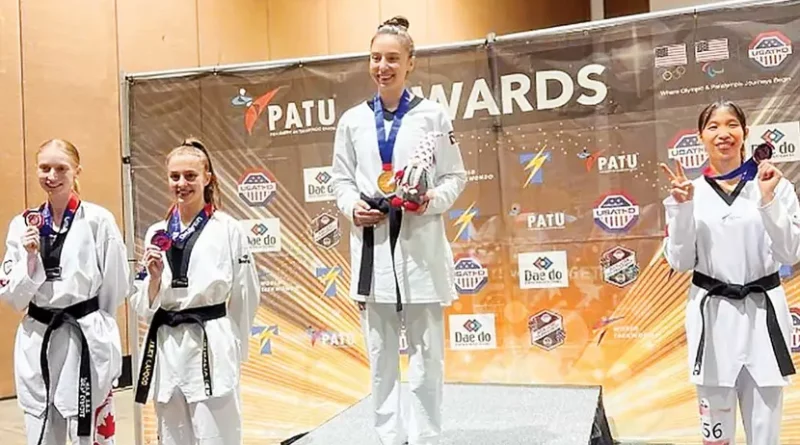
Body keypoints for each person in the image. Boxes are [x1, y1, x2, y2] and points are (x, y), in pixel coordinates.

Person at [330, 15, 466, 445]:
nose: (382, 66)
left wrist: (430, 201)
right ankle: (389, 437)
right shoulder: (353, 120)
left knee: (427, 356)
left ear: (411, 63)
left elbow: (455, 176)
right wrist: (352, 207)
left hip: (420, 244)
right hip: (373, 247)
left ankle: (427, 437)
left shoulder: (432, 116)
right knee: (381, 357)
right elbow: (340, 179)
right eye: (375, 58)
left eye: (392, 58)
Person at [661, 100, 800, 445]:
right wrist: (681, 208)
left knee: (765, 435)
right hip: (713, 320)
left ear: (745, 132)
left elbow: (789, 253)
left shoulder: (774, 185)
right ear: (700, 137)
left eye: (731, 125)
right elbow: (680, 262)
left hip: (763, 318)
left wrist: (768, 201)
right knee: (716, 438)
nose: (723, 133)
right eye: (713, 126)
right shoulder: (689, 192)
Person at [130, 137, 259, 445]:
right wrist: (154, 280)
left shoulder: (227, 229)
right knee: (173, 437)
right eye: (174, 176)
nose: (182, 184)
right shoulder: (157, 232)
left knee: (218, 436)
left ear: (207, 178)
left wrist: (235, 343)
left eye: (190, 176)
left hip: (211, 342)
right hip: (167, 344)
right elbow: (141, 304)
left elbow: (246, 293)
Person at [0, 139, 128, 445]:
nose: (52, 176)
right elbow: (12, 297)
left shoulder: (98, 221)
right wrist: (31, 259)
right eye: (45, 168)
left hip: (85, 336)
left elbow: (116, 285)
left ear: (76, 171)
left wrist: (98, 323)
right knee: (42, 428)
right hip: (39, 336)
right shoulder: (23, 224)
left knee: (89, 431)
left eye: (61, 168)